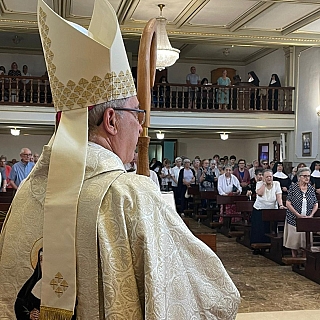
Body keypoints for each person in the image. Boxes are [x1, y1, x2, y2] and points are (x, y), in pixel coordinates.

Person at [0, 0, 240, 319]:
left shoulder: (26, 193)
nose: (141, 124)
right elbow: (214, 296)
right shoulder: (130, 196)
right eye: (136, 112)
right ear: (111, 121)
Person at [284, 167, 318, 257]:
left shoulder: (310, 188)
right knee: (294, 241)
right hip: (294, 218)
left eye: (308, 176)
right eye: (304, 176)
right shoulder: (293, 187)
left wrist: (311, 215)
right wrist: (297, 214)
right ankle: (294, 258)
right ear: (299, 177)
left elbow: (316, 204)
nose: (307, 178)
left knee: (305, 241)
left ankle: (304, 258)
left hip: (307, 218)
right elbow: (288, 203)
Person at [250, 169, 285, 247]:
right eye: (267, 177)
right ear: (263, 178)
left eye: (270, 176)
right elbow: (260, 193)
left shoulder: (276, 184)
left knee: (271, 228)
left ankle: (272, 245)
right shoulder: (259, 183)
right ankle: (258, 246)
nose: (269, 178)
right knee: (259, 229)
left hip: (272, 210)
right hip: (260, 209)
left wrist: (281, 205)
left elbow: (279, 196)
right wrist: (264, 184)